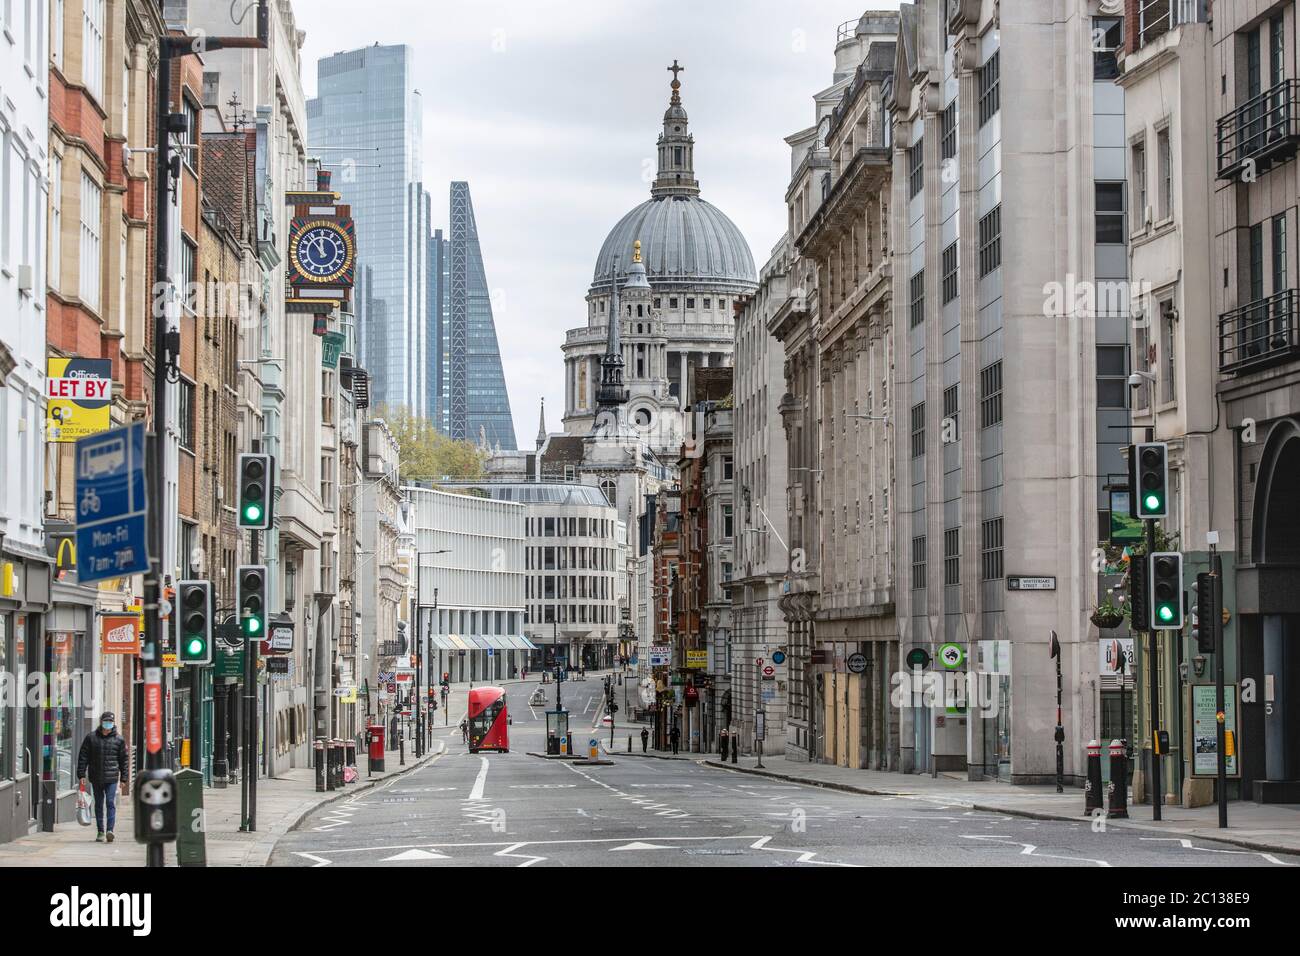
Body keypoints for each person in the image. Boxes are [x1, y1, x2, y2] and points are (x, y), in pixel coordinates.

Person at [77, 711, 128, 843]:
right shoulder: (91, 738)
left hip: (111, 778)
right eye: (106, 721)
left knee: (110, 802)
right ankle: (100, 831)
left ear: (113, 723)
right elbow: (83, 756)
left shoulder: (119, 739)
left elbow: (124, 759)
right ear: (101, 722)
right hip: (96, 777)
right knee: (99, 804)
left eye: (110, 721)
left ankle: (110, 830)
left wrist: (124, 778)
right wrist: (81, 774)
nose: (108, 724)